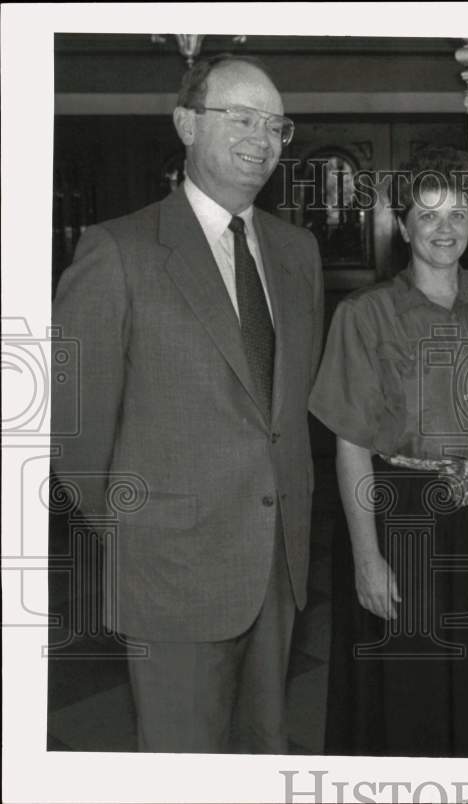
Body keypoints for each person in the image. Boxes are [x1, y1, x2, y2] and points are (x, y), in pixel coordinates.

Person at [51, 54, 324, 753]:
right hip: (170, 571)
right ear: (185, 124)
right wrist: (142, 537)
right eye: (240, 117)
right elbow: (74, 433)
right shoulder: (119, 250)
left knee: (267, 751)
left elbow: (284, 414)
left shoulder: (298, 253)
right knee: (181, 764)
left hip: (278, 565)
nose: (261, 138)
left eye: (276, 125)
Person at [310, 146, 468, 758]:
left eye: (457, 215)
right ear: (403, 226)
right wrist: (367, 558)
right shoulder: (365, 315)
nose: (444, 230)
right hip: (404, 523)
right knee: (410, 688)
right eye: (428, 216)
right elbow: (350, 445)